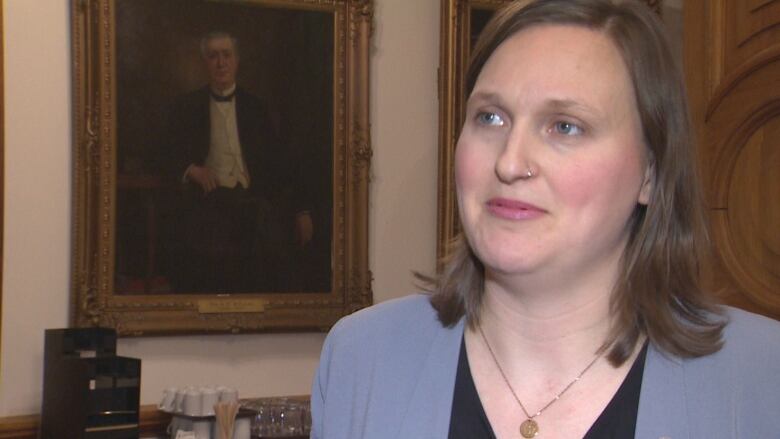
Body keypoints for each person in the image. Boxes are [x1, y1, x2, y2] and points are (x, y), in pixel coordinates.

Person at [310, 0, 780, 438]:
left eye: (565, 127)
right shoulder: (361, 359)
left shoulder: (762, 376)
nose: (510, 162)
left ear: (651, 175)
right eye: (490, 118)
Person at [166, 31, 313, 293]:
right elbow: (162, 153)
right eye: (213, 56)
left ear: (237, 61)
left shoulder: (257, 108)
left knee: (272, 255)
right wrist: (191, 170)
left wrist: (301, 210)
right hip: (209, 202)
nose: (220, 63)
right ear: (204, 63)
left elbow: (282, 163)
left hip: (252, 203)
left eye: (226, 55)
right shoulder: (187, 107)